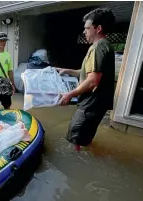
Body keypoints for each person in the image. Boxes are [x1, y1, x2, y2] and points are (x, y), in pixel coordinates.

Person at [57, 8, 116, 150]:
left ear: (98, 28)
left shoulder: (97, 48)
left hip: (90, 104)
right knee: (85, 136)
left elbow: (92, 80)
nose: (84, 32)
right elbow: (87, 73)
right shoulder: (106, 46)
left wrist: (70, 94)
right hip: (97, 104)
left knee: (75, 140)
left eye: (87, 28)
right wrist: (68, 70)